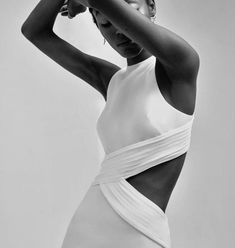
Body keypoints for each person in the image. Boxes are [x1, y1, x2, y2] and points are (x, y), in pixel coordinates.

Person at [21, 0, 200, 247]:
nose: (119, 31)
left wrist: (84, 3)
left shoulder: (181, 64)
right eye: (105, 23)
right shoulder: (111, 81)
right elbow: (33, 31)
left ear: (151, 6)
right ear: (97, 27)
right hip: (85, 228)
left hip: (140, 233)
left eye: (129, 12)